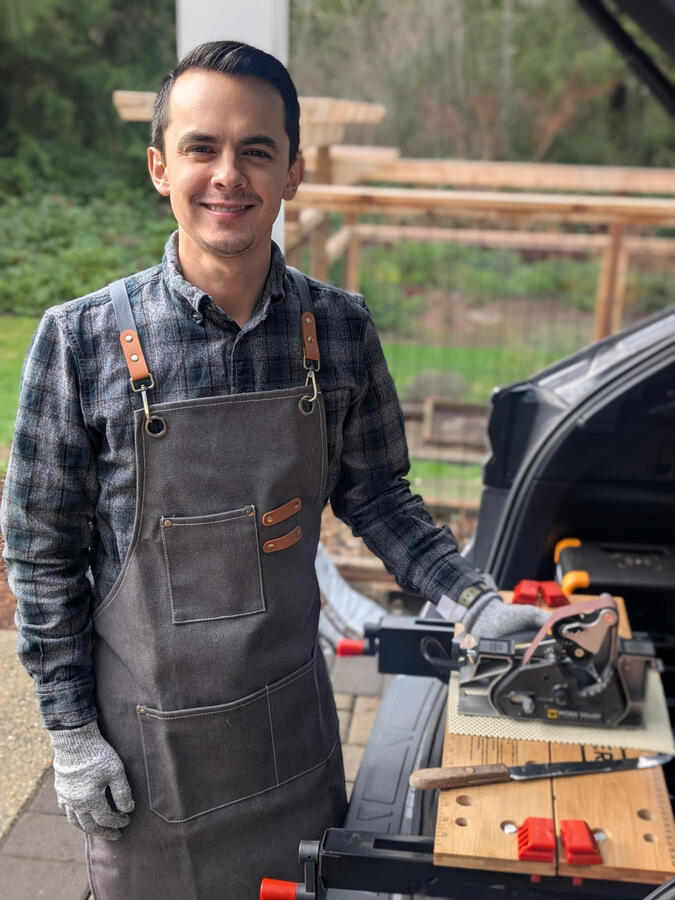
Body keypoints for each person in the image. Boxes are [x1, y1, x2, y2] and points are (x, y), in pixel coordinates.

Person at [0, 41, 548, 900]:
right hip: (148, 761)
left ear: (292, 171)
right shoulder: (78, 343)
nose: (229, 175)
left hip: (291, 744)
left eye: (257, 150)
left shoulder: (337, 330)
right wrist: (70, 732)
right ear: (158, 167)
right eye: (201, 148)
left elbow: (378, 495)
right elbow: (39, 557)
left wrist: (471, 599)